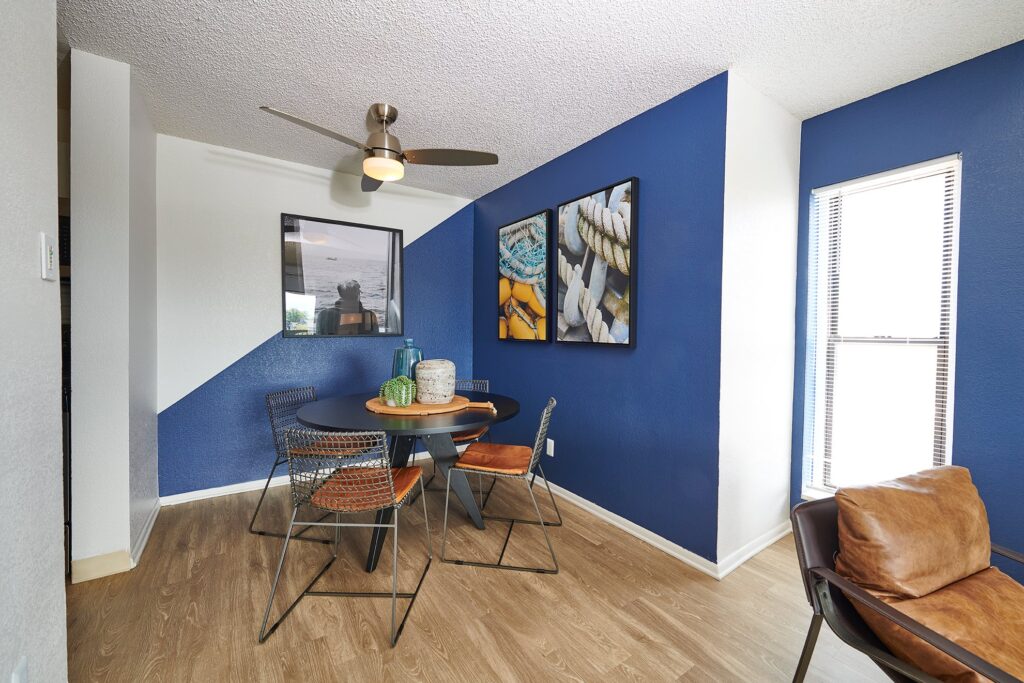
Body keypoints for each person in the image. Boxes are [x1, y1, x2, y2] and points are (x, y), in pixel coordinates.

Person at [315, 280, 379, 335]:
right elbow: (375, 340)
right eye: (359, 291)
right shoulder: (369, 316)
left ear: (340, 294)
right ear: (357, 295)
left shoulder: (324, 315)